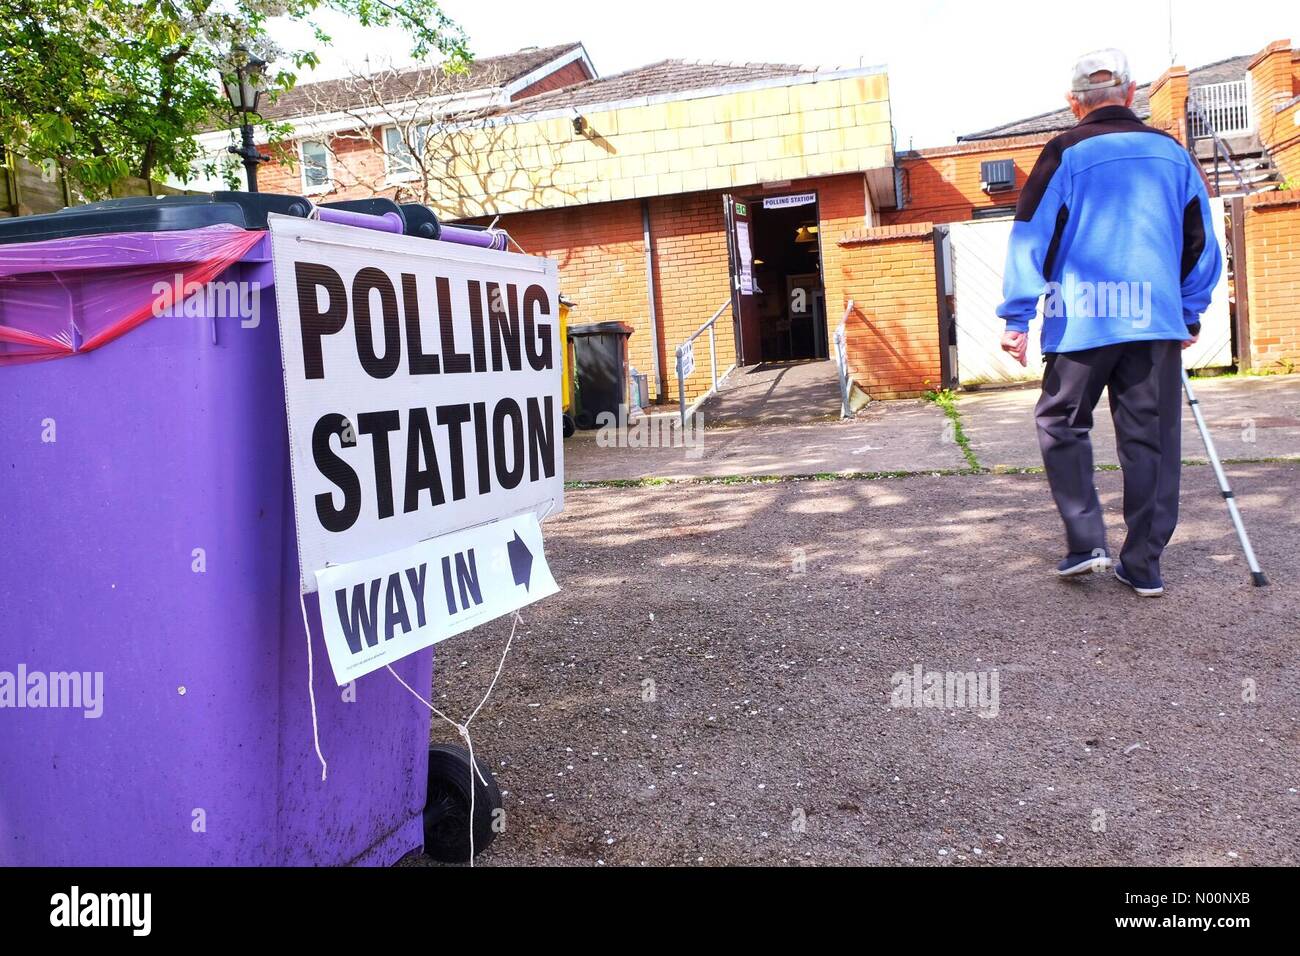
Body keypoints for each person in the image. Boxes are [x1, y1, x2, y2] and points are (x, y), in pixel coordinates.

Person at [998, 48, 1222, 597]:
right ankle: (1143, 564)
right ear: (1131, 93)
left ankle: (1086, 540)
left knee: (1061, 422)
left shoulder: (1064, 151)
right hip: (1153, 322)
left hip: (1084, 320)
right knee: (1151, 441)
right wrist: (1189, 309)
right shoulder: (1172, 154)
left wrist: (1018, 314)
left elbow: (1031, 233)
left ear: (1073, 102)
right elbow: (1200, 243)